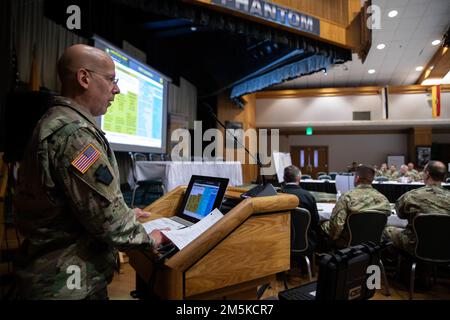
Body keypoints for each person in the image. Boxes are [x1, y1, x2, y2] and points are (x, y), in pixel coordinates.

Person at [13, 44, 169, 300]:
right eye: (111, 80)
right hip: (68, 286)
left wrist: (126, 213)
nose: (117, 89)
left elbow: (76, 207)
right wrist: (151, 239)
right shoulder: (76, 136)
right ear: (84, 78)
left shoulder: (54, 120)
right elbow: (110, 222)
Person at [384, 161, 450, 254]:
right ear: (444, 176)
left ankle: (393, 264)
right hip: (446, 246)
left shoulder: (412, 195)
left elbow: (400, 215)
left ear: (427, 174)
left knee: (387, 230)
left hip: (415, 245)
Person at [320, 164, 391, 249]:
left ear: (357, 178)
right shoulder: (384, 199)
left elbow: (336, 226)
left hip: (348, 247)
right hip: (373, 247)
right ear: (372, 180)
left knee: (322, 225)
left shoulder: (347, 197)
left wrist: (332, 237)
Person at [281, 165, 320, 251]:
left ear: (284, 178)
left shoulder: (277, 196)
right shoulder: (308, 196)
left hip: (281, 241)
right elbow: (315, 222)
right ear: (299, 178)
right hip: (305, 241)